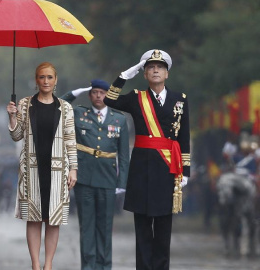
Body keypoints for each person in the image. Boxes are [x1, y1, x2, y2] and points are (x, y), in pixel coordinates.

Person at [103, 49, 190, 270]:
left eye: (159, 67)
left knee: (163, 228)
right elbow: (109, 99)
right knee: (142, 227)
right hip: (141, 169)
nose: (155, 70)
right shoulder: (136, 98)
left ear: (167, 73)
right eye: (150, 67)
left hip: (167, 168)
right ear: (144, 74)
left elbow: (184, 137)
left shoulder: (180, 100)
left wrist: (185, 171)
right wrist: (123, 76)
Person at [6, 62, 78, 270]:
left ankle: (48, 265)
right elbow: (16, 135)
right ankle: (36, 265)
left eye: (49, 77)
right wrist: (12, 116)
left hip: (57, 170)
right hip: (32, 169)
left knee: (53, 219)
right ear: (36, 80)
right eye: (41, 77)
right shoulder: (25, 104)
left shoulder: (65, 107)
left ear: (55, 80)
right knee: (34, 217)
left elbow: (70, 139)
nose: (45, 81)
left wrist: (73, 168)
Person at [60, 79, 129, 270]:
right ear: (89, 95)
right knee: (87, 227)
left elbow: (124, 155)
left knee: (105, 228)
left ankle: (104, 266)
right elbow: (58, 107)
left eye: (102, 93)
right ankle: (88, 266)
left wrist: (121, 182)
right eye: (94, 92)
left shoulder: (119, 119)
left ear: (109, 95)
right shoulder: (79, 113)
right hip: (84, 178)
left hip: (107, 180)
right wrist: (74, 93)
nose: (99, 96)